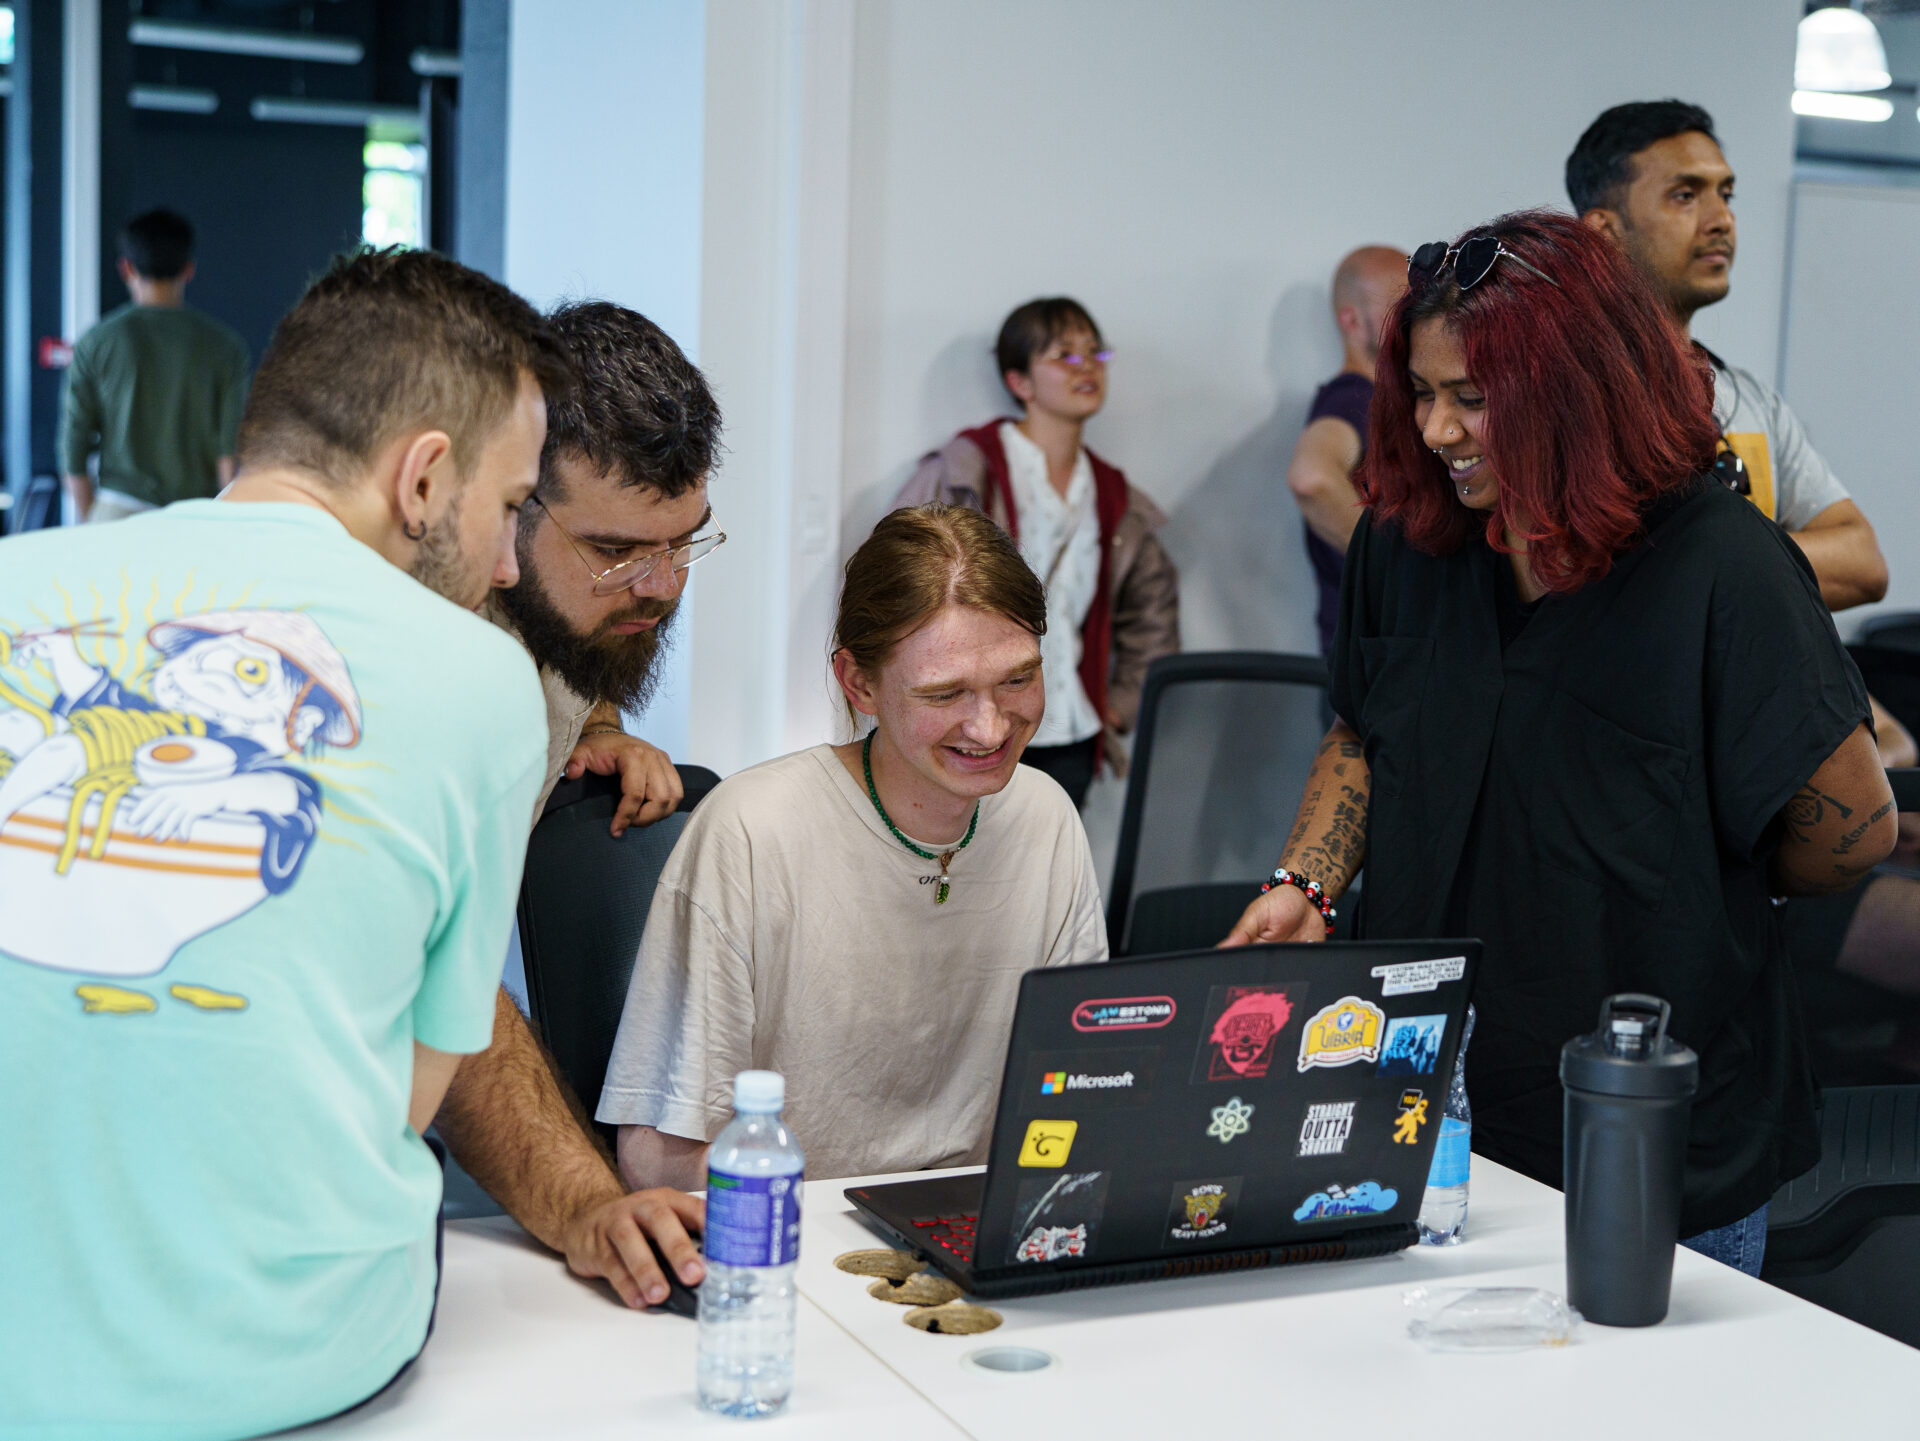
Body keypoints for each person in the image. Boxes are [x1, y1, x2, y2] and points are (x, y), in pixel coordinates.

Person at [0, 247, 673, 1437]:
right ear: (423, 477)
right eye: (509, 506)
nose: (507, 564)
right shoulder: (475, 675)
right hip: (292, 1364)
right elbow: (404, 1096)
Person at [1222, 211, 1897, 1278]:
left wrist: (1699, 880)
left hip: (1647, 1132)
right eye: (1423, 394)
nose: (1437, 430)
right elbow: (1363, 730)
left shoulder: (1723, 567)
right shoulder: (1409, 540)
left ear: (1577, 393)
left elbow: (1853, 829)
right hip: (1422, 1107)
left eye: (1472, 398)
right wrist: (1306, 880)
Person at [600, 504, 1107, 1185]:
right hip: (794, 1225)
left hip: (973, 1224)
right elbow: (656, 1156)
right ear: (859, 683)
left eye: (1017, 679)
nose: (990, 728)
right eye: (945, 694)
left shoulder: (1045, 818)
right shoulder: (752, 831)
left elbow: (1081, 1091)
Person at [429, 300, 724, 1312]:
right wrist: (587, 1202)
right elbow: (439, 988)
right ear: (511, 500)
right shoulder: (438, 672)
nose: (662, 587)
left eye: (685, 542)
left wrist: (600, 722)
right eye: (616, 550)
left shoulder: (567, 610)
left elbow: (577, 651)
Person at [1567, 100, 1887, 611]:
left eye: (1726, 194)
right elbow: (1600, 581)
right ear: (1603, 233)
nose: (1722, 220)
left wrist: (1701, 562)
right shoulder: (1567, 397)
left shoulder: (1752, 400)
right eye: (1685, 195)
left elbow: (1863, 564)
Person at [896, 297, 1179, 807]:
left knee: (1050, 853)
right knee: (958, 853)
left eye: (1095, 352)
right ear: (1020, 381)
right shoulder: (965, 471)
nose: (1086, 366)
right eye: (1064, 355)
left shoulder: (1113, 494)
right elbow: (893, 581)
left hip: (1071, 732)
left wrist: (1118, 707)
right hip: (971, 726)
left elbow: (1152, 613)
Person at [58, 209, 251, 524]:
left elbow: (73, 452)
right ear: (188, 269)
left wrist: (92, 519)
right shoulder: (226, 347)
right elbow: (229, 455)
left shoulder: (95, 342)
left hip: (117, 512)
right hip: (194, 518)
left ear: (126, 268)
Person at [1286, 246, 1407, 657]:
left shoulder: (1390, 401)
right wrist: (1401, 571)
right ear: (1352, 321)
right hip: (1370, 666)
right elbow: (1310, 478)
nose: (1416, 317)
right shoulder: (1353, 399)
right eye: (1399, 306)